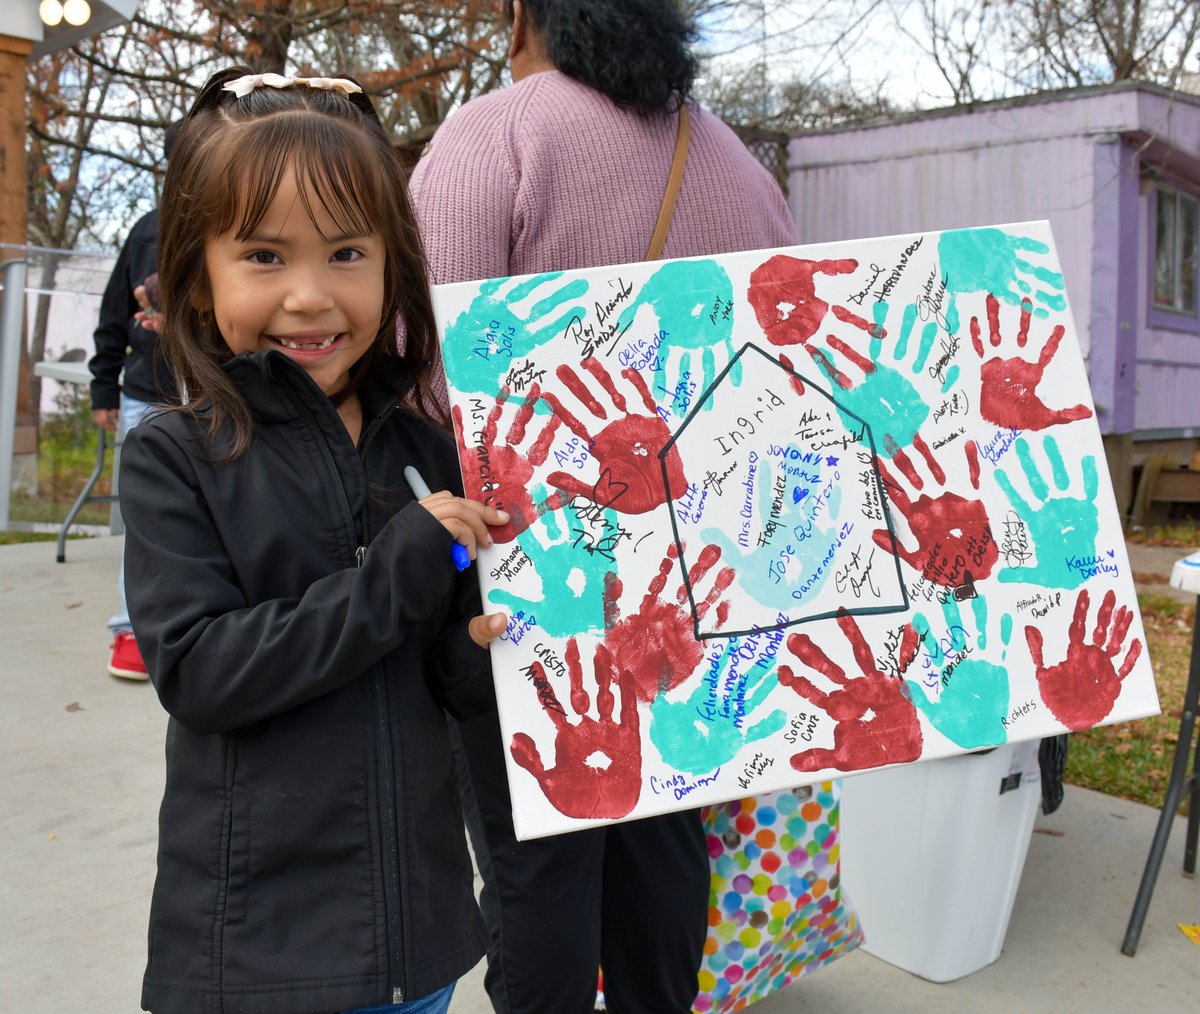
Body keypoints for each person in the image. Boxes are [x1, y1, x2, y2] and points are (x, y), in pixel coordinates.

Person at [408, 2, 798, 1012]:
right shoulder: (736, 163)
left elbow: (429, 375)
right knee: (666, 832)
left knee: (541, 853)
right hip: (700, 572)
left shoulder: (494, 137)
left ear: (520, 14)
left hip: (533, 571)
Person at [118, 66, 510, 1014]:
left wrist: (483, 646)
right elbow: (199, 670)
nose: (308, 295)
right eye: (264, 255)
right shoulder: (177, 456)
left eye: (346, 253)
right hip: (259, 956)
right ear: (197, 279)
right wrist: (396, 573)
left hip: (417, 942)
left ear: (392, 269)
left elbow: (443, 678)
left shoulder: (428, 452)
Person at [89, 124, 180, 680]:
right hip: (147, 394)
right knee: (141, 512)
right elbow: (114, 312)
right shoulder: (146, 230)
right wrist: (104, 385)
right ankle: (130, 627)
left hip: (214, 390)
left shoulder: (233, 223)